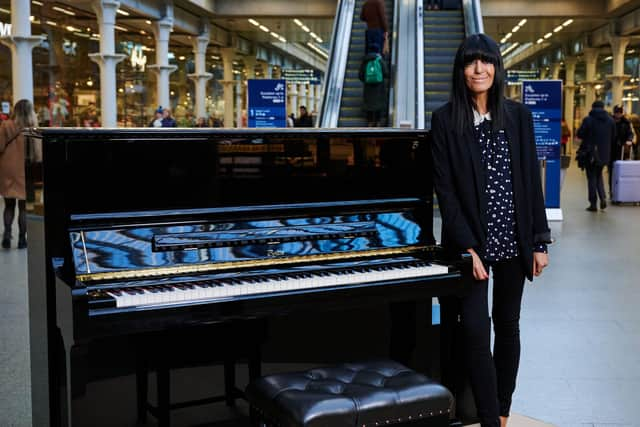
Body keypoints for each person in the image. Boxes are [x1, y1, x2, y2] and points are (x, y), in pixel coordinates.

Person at [430, 34, 550, 427]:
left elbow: (531, 180)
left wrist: (538, 239)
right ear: (461, 69)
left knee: (508, 325)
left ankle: (500, 409)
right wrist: (467, 247)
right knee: (477, 333)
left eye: (486, 62)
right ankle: (486, 418)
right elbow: (445, 191)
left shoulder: (518, 116)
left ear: (497, 67)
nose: (478, 70)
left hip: (514, 238)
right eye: (470, 62)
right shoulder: (446, 120)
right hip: (472, 244)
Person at [0, 99, 37, 249]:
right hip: (25, 169)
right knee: (23, 207)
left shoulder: (6, 125)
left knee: (9, 206)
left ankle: (7, 235)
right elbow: (38, 153)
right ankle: (22, 240)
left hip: (7, 168)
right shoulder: (32, 128)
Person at [576, 101, 615, 211]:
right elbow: (613, 137)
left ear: (592, 107)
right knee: (599, 175)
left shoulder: (588, 119)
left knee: (592, 177)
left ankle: (593, 203)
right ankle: (603, 198)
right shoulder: (610, 121)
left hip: (590, 153)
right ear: (603, 108)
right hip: (604, 154)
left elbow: (580, 134)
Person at [358, 52, 389, 126]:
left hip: (368, 87)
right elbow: (386, 73)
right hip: (379, 87)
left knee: (369, 104)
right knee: (378, 104)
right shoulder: (380, 60)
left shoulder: (365, 61)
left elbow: (360, 76)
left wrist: (367, 80)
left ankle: (370, 122)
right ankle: (378, 121)